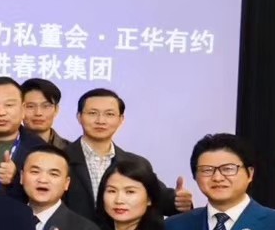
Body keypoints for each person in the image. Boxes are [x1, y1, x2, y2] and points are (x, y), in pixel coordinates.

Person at [63, 89, 188, 219]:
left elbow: (160, 200)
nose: (101, 120)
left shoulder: (136, 163)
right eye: (93, 113)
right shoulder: (61, 159)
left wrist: (179, 201)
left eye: (109, 114)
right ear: (79, 117)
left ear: (121, 119)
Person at [0, 76, 45, 193]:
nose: (1, 112)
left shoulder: (40, 149)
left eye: (9, 105)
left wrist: (17, 177)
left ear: (23, 109)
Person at [21, 77, 68, 151]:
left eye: (46, 106)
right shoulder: (9, 148)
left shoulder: (71, 150)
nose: (38, 113)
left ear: (56, 110)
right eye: (30, 106)